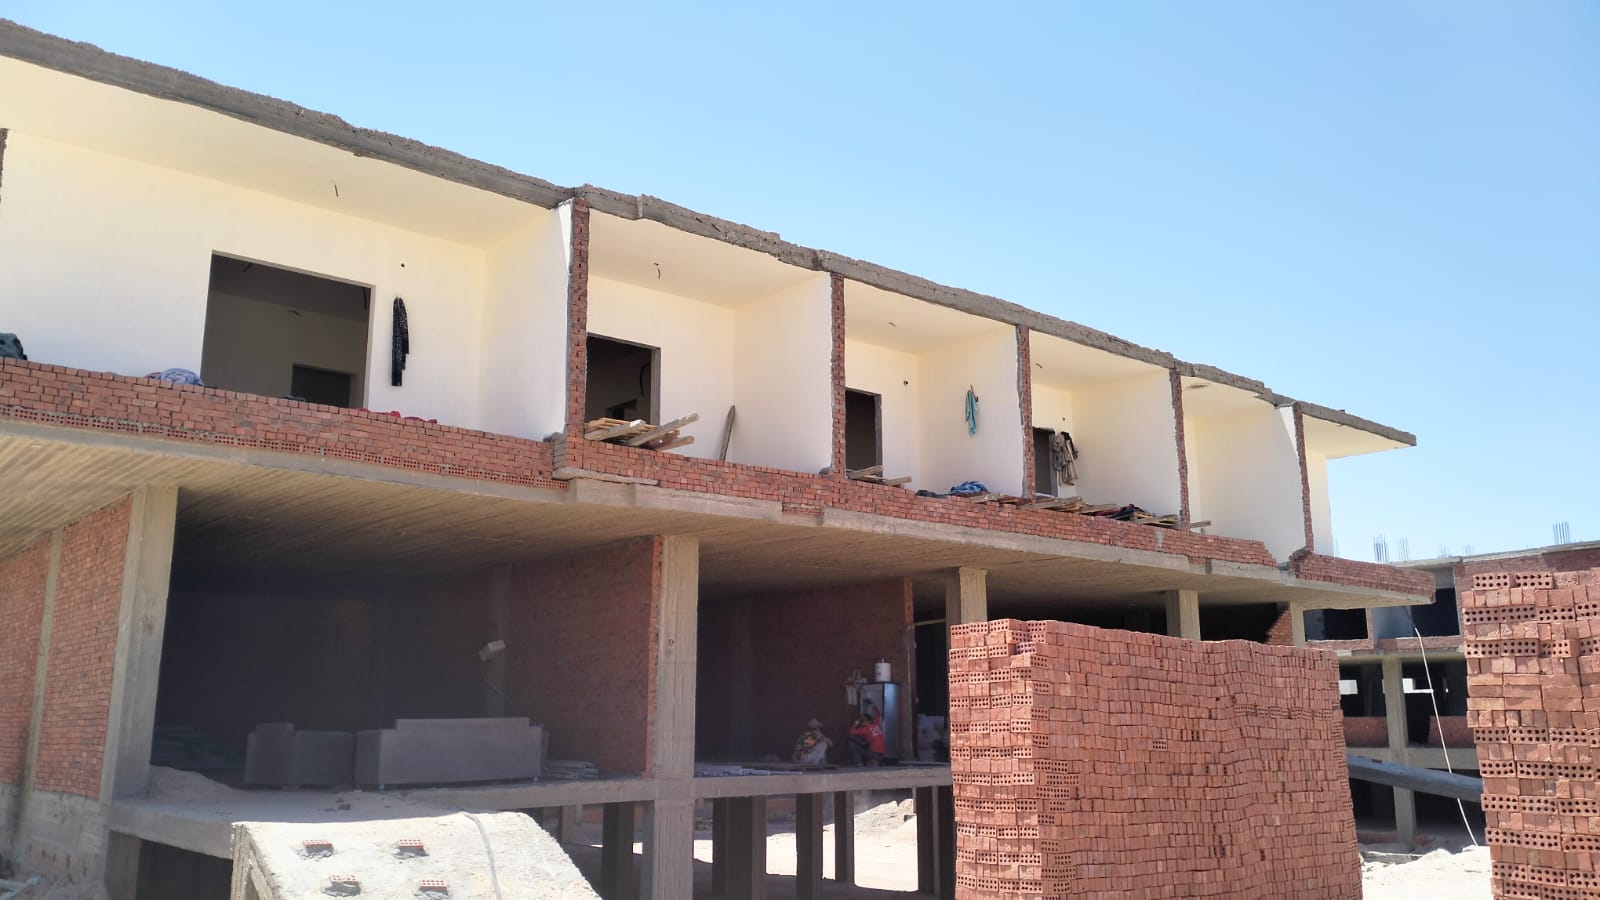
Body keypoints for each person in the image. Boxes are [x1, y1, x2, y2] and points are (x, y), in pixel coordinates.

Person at [848, 701, 886, 766]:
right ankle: (872, 761)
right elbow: (877, 715)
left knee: (851, 743)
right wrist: (872, 705)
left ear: (868, 721)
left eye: (863, 721)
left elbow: (851, 732)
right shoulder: (876, 724)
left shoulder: (865, 729)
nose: (862, 723)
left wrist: (856, 723)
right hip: (882, 754)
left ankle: (858, 763)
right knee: (866, 744)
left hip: (874, 755)